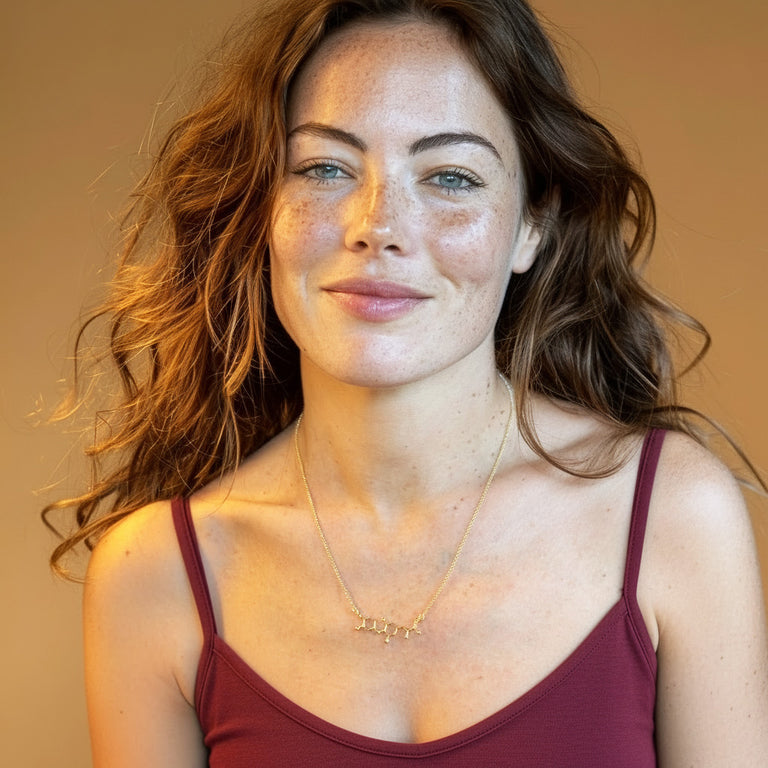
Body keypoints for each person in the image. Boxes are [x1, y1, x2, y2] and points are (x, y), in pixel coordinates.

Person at [44, 0, 768, 765]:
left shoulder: (672, 517)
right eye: (325, 167)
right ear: (263, 209)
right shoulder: (154, 576)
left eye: (450, 177)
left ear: (532, 224)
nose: (377, 224)